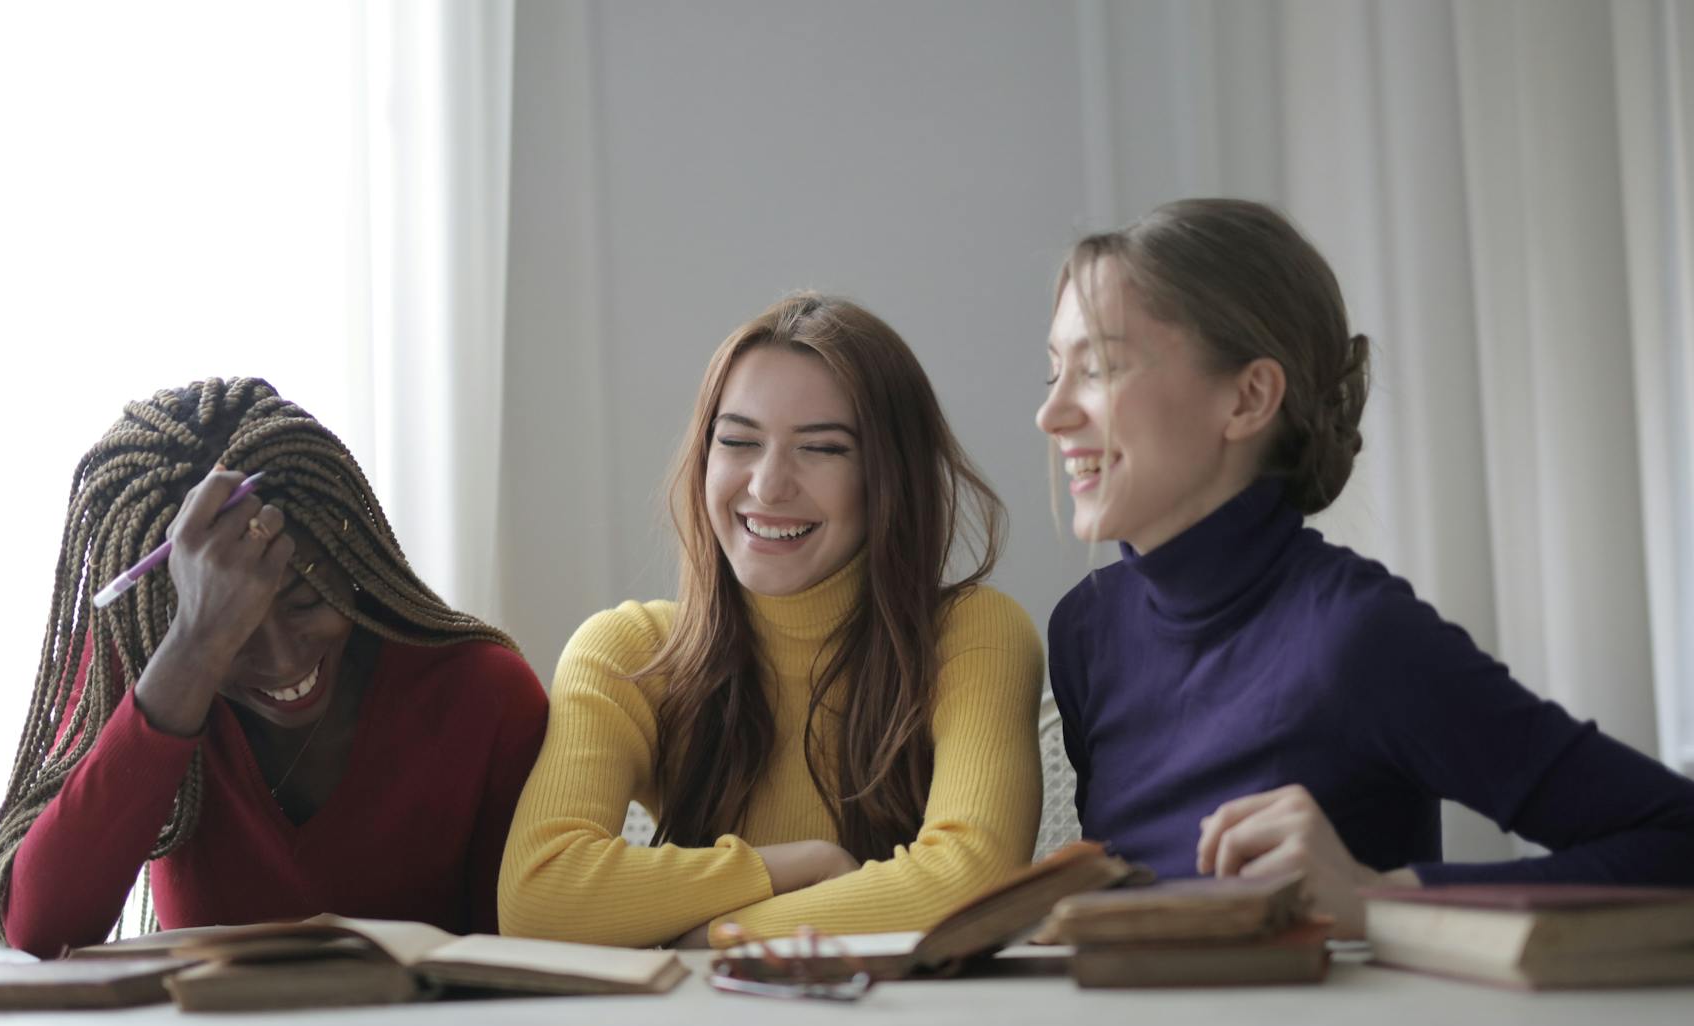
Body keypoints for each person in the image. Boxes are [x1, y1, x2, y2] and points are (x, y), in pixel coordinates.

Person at [1036, 198, 1694, 935]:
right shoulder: (1087, 629)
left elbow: (1678, 839)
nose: (1051, 415)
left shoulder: (1357, 637)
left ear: (1248, 397)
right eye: (1054, 372)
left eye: (1097, 369)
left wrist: (1382, 897)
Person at [499, 294, 1043, 948]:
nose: (767, 485)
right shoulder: (630, 652)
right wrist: (792, 865)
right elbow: (539, 900)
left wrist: (709, 938)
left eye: (822, 449)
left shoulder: (973, 635)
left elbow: (970, 885)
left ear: (888, 476)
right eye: (737, 441)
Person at [0, 377, 546, 957]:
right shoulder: (142, 674)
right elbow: (41, 930)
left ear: (351, 558)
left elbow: (522, 962)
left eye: (304, 601)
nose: (282, 659)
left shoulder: (481, 694)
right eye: (232, 624)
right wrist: (193, 648)